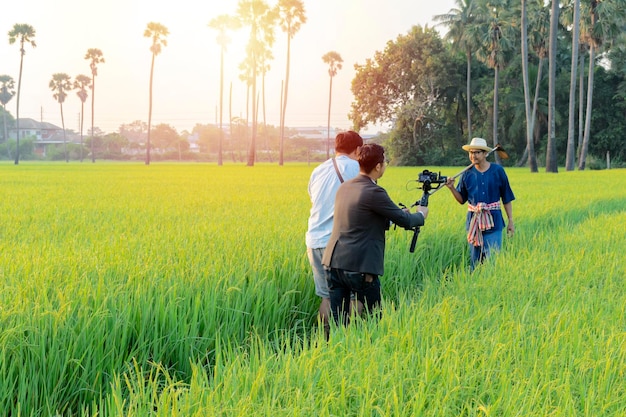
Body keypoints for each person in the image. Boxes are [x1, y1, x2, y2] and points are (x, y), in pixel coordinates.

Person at [322, 143, 429, 326]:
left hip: (333, 263)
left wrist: (394, 214)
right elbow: (405, 221)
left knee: (338, 321)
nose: (385, 165)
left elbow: (360, 219)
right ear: (378, 166)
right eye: (385, 162)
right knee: (374, 319)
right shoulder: (374, 191)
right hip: (359, 266)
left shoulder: (345, 187)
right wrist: (420, 214)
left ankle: (336, 348)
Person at [306, 130, 364, 334]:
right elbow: (368, 199)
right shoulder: (357, 168)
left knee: (328, 297)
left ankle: (325, 341)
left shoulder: (318, 170)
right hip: (341, 243)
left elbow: (314, 199)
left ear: (336, 148)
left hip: (314, 241)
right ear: (358, 150)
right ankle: (351, 341)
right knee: (356, 296)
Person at [445, 137, 515, 271]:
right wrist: (451, 188)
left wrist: (511, 221)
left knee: (492, 261)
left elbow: (506, 197)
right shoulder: (466, 173)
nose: (473, 155)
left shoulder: (497, 171)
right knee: (475, 262)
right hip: (474, 223)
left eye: (477, 152)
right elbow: (461, 200)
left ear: (485, 154)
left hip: (494, 222)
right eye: (471, 152)